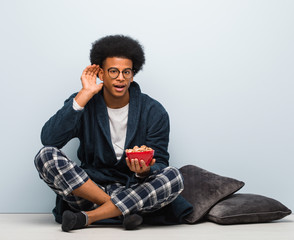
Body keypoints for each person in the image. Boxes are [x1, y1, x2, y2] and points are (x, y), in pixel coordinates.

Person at [34, 35, 192, 232]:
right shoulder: (85, 102)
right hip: (90, 191)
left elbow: (161, 162)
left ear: (133, 75)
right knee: (45, 156)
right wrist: (84, 94)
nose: (120, 78)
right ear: (101, 73)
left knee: (173, 176)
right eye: (114, 71)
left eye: (126, 72)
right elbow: (49, 139)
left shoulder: (153, 110)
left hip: (134, 189)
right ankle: (120, 211)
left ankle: (88, 218)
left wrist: (144, 170)